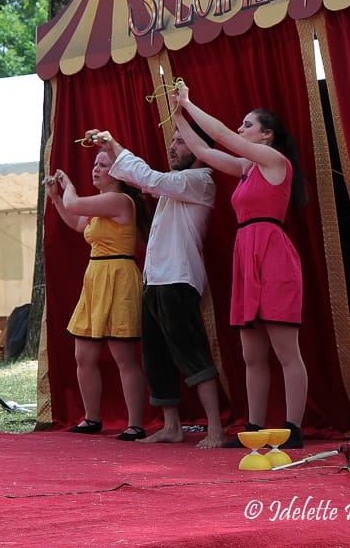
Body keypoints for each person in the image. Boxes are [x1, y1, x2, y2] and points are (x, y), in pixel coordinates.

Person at [172, 82, 308, 449]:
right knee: (252, 354)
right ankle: (255, 428)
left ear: (266, 136)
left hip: (273, 255)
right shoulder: (247, 167)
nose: (240, 129)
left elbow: (218, 134)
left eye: (247, 125)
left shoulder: (275, 162)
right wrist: (178, 114)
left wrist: (189, 101)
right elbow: (202, 148)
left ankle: (292, 429)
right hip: (247, 255)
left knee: (285, 351)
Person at [87, 125, 226, 448]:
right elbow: (148, 181)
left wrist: (113, 144)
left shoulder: (199, 180)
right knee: (156, 357)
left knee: (191, 354)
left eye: (180, 141)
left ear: (198, 147)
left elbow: (150, 180)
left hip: (177, 279)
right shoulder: (175, 184)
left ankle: (216, 429)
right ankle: (171, 426)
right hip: (156, 279)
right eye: (173, 140)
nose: (173, 146)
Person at [45, 150, 151, 442]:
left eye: (103, 165)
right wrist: (56, 198)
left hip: (117, 276)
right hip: (96, 278)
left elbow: (75, 204)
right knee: (84, 354)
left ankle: (135, 423)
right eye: (94, 164)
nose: (95, 169)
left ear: (117, 173)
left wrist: (68, 189)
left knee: (123, 356)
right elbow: (78, 222)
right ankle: (92, 418)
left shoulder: (119, 200)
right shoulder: (97, 207)